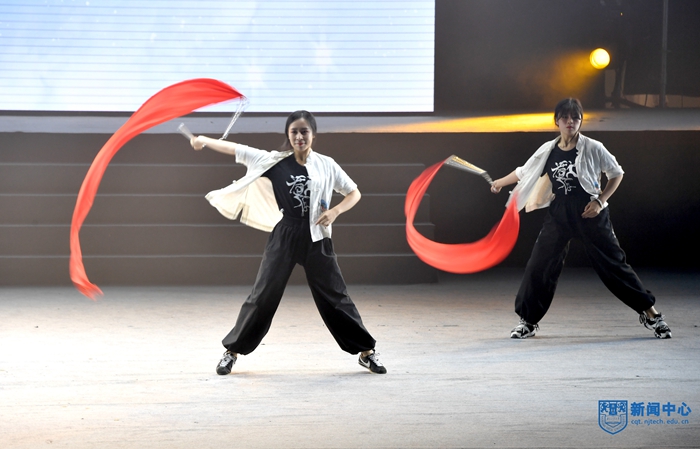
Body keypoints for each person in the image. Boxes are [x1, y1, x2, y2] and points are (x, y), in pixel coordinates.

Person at [189, 110, 387, 374]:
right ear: (288, 135)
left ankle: (366, 352)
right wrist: (204, 140)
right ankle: (232, 352)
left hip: (317, 237)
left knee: (336, 297)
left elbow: (354, 192)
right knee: (263, 295)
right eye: (294, 131)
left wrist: (335, 211)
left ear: (313, 135)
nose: (299, 136)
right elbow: (237, 149)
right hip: (285, 234)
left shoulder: (326, 164)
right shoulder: (274, 161)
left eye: (304, 131)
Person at [489, 98, 671, 339]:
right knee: (539, 265)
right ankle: (528, 322)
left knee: (614, 266)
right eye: (565, 117)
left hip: (590, 213)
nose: (570, 122)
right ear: (556, 121)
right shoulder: (548, 150)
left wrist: (600, 201)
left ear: (581, 121)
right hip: (559, 214)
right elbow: (523, 171)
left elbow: (616, 173)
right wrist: (500, 183)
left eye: (575, 118)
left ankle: (653, 316)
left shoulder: (593, 147)